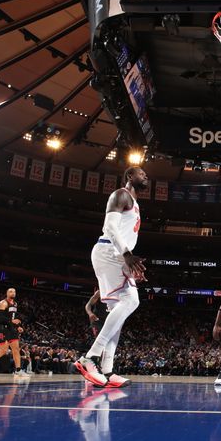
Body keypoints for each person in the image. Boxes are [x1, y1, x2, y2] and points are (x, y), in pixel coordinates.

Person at [75, 166, 149, 388]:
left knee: (119, 312)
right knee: (131, 301)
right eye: (141, 173)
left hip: (117, 255)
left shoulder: (134, 204)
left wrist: (131, 263)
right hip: (110, 252)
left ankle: (107, 370)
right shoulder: (121, 195)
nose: (146, 176)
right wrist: (127, 255)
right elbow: (110, 226)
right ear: (129, 176)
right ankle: (90, 357)